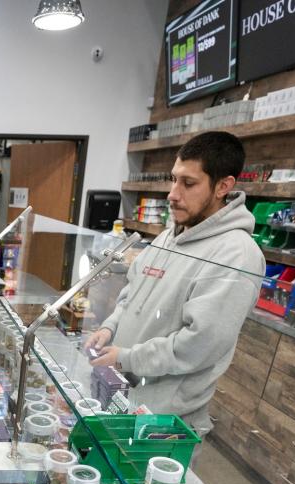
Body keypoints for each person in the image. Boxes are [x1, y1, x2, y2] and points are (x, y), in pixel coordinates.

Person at [85, 131, 263, 438]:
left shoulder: (237, 254)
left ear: (223, 186)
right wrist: (109, 327)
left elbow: (198, 345)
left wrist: (127, 357)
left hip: (161, 422)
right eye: (173, 179)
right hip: (124, 395)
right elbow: (131, 293)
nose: (173, 193)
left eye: (188, 183)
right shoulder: (171, 235)